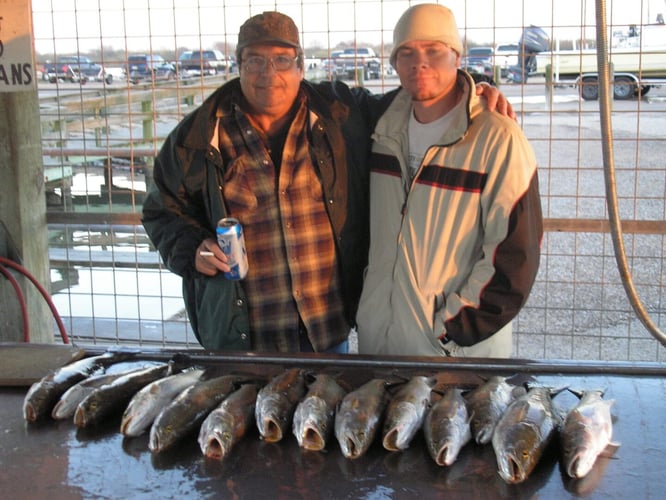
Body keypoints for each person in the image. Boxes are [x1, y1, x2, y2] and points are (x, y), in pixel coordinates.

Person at [142, 11, 511, 353]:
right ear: (238, 67)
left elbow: (418, 94)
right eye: (255, 60)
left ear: (301, 66)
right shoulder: (198, 135)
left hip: (325, 334)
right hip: (242, 339)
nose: (268, 73)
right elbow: (162, 212)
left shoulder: (340, 114)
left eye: (282, 60)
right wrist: (192, 249)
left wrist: (471, 89)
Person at [356, 4, 543, 358]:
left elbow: (515, 255)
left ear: (457, 57)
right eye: (406, 52)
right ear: (394, 62)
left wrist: (452, 331)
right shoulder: (381, 130)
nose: (419, 62)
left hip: (454, 356)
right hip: (380, 346)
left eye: (434, 51)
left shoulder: (497, 139)